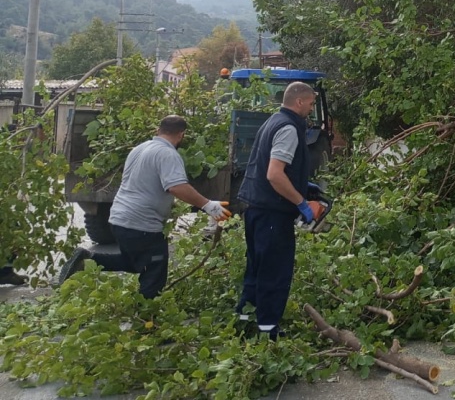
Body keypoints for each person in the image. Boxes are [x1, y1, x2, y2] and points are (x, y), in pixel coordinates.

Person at [57, 115, 232, 298]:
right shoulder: (168, 154)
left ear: (158, 131)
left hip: (119, 219)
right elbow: (176, 186)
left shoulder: (139, 149)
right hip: (142, 225)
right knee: (155, 270)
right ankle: (146, 318)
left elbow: (145, 184)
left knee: (134, 262)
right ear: (181, 135)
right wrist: (207, 205)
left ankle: (89, 259)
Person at [234, 82, 324, 339]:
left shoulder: (273, 121)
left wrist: (300, 183)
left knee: (256, 268)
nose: (310, 108)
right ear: (298, 102)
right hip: (272, 212)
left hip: (255, 208)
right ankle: (267, 332)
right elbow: (274, 174)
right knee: (274, 272)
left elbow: (269, 165)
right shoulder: (289, 128)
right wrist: (302, 203)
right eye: (309, 103)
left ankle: (244, 322)